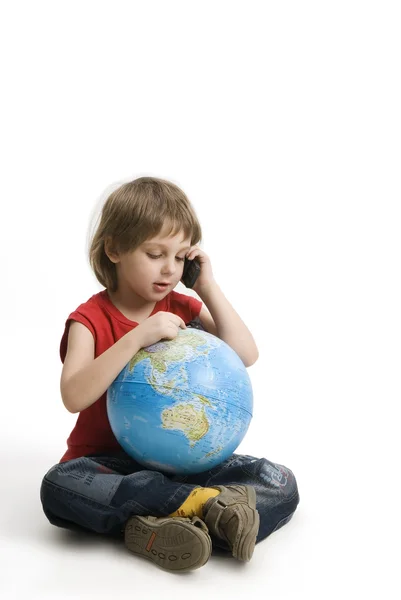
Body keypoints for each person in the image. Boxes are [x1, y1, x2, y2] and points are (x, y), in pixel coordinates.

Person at [40, 176, 299, 572]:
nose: (168, 269)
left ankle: (170, 520)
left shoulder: (183, 307)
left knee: (280, 481)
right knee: (58, 486)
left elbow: (246, 353)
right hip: (110, 466)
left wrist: (206, 287)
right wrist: (135, 339)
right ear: (114, 248)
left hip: (185, 463)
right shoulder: (89, 320)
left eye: (179, 258)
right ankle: (203, 513)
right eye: (155, 253)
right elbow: (73, 396)